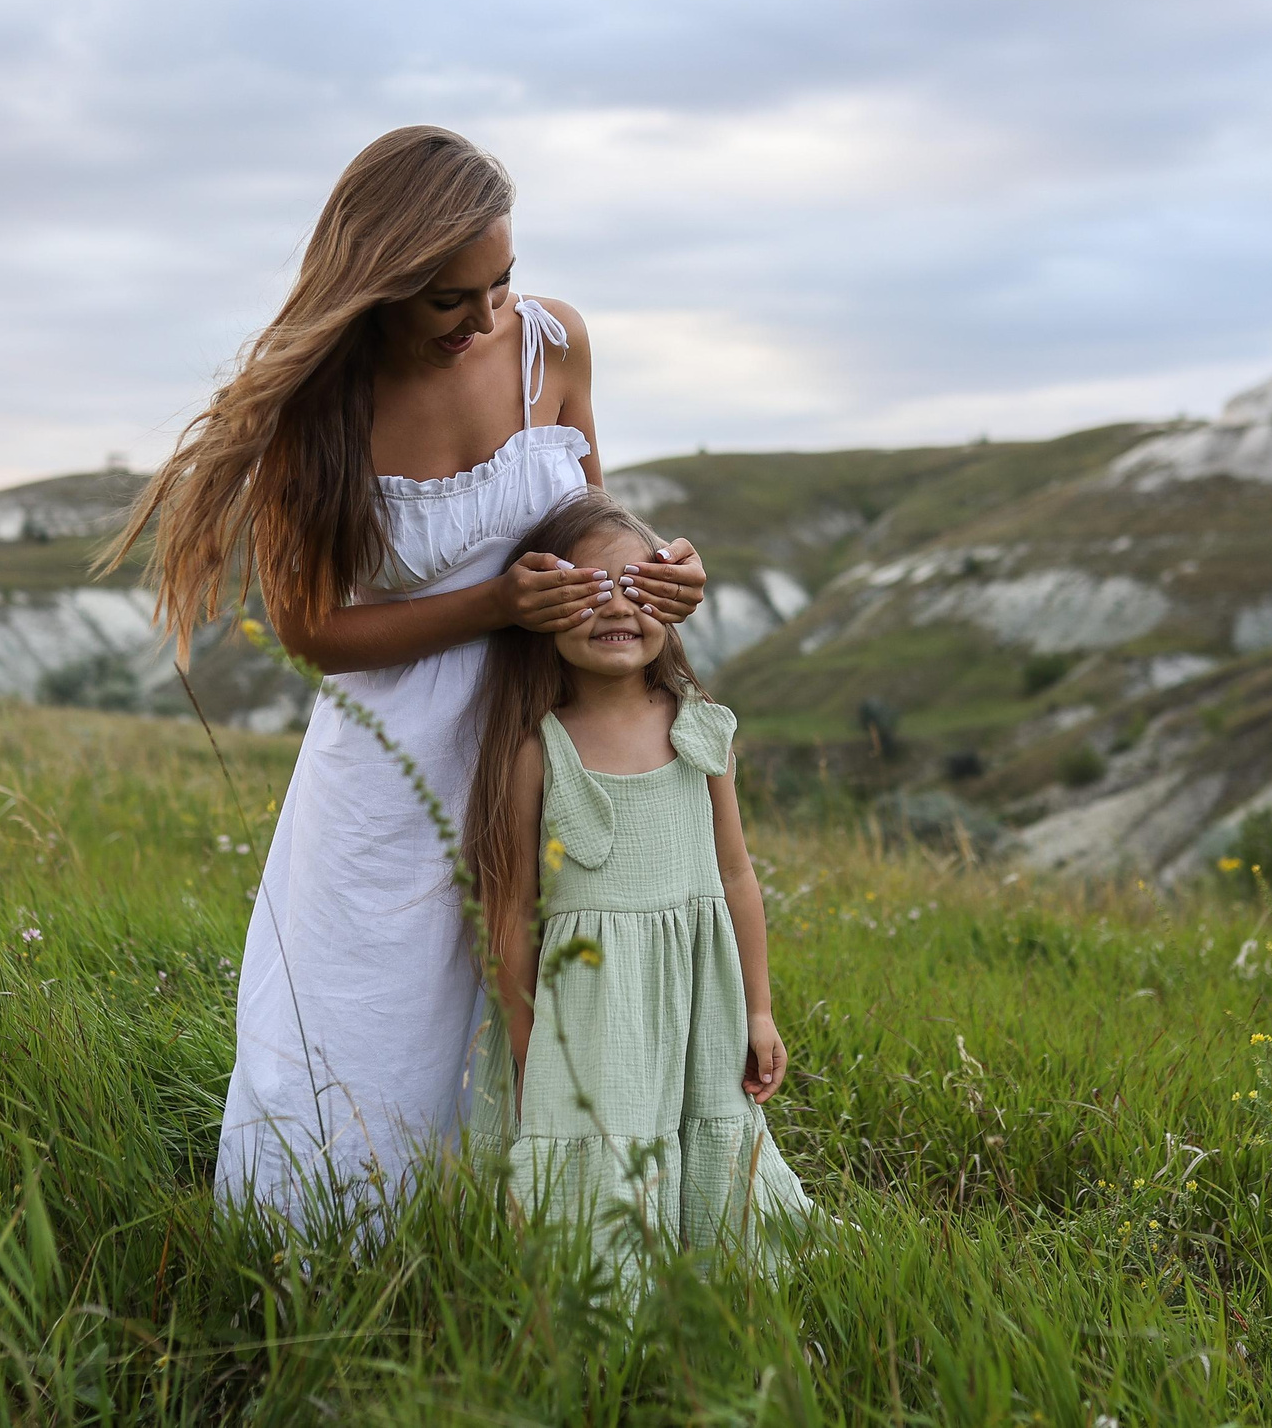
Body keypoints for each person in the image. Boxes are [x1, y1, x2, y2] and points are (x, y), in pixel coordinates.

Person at [98, 125, 709, 1219]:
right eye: (447, 298)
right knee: (366, 1010)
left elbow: (589, 527)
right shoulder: (320, 411)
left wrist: (660, 578)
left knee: (542, 986)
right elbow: (312, 632)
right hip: (390, 769)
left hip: (537, 733)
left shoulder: (551, 345)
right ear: (378, 282)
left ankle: (548, 1231)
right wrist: (490, 604)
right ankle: (329, 1248)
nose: (484, 317)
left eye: (502, 282)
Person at [465, 490, 812, 1265]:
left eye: (637, 585)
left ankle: (718, 1285)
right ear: (543, 610)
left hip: (700, 1006)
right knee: (604, 1177)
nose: (615, 607)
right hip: (590, 1022)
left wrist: (760, 1011)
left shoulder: (698, 724)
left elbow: (736, 875)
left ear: (671, 597)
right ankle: (614, 1324)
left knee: (710, 1150)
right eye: (588, 588)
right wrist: (528, 1052)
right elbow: (513, 913)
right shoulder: (537, 748)